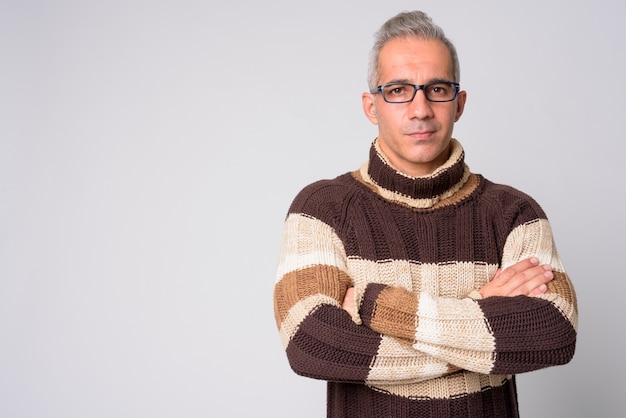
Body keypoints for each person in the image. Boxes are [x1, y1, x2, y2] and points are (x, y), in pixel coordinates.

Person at [273, 10, 577, 418]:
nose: (420, 109)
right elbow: (310, 343)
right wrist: (481, 307)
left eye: (437, 89)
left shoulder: (515, 213)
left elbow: (553, 332)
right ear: (371, 106)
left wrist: (375, 306)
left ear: (459, 103)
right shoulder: (322, 209)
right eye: (398, 90)